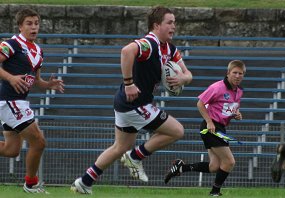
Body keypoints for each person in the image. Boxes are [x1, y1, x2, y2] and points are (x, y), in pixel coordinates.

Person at [71, 6, 192, 194]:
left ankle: (85, 182)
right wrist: (128, 83)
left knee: (120, 146)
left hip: (126, 103)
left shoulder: (169, 48)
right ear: (156, 25)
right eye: (169, 22)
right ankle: (135, 157)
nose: (173, 26)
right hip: (135, 104)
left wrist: (183, 78)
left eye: (174, 22)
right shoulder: (149, 44)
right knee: (177, 131)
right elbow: (126, 52)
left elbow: (188, 74)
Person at [0, 8, 64, 193]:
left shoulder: (38, 50)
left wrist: (48, 85)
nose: (34, 27)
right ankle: (31, 183)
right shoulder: (12, 44)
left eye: (36, 23)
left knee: (11, 150)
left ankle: (31, 184)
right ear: (20, 26)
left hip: (19, 102)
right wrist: (10, 78)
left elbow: (35, 81)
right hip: (10, 101)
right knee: (39, 141)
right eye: (29, 23)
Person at [164, 60, 246, 197]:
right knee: (229, 161)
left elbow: (229, 109)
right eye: (235, 73)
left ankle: (181, 167)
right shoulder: (218, 87)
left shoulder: (239, 92)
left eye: (241, 73)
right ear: (228, 73)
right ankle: (215, 192)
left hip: (220, 128)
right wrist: (209, 122)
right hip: (211, 127)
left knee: (214, 167)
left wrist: (236, 114)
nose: (237, 76)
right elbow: (200, 104)